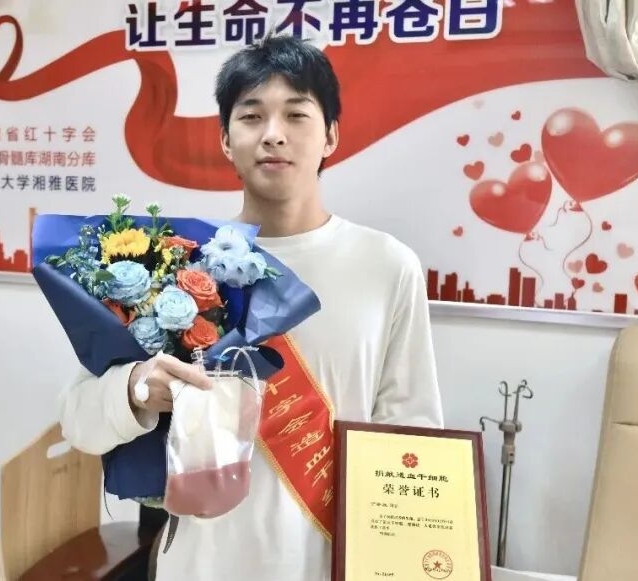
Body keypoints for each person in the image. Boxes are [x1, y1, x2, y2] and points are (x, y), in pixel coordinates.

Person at [57, 34, 443, 581]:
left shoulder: (386, 265)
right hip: (200, 564)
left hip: (327, 563)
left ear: (331, 135)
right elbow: (78, 420)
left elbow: (412, 435)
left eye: (297, 115)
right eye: (252, 116)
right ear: (225, 139)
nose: (273, 134)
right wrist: (138, 389)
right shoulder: (177, 264)